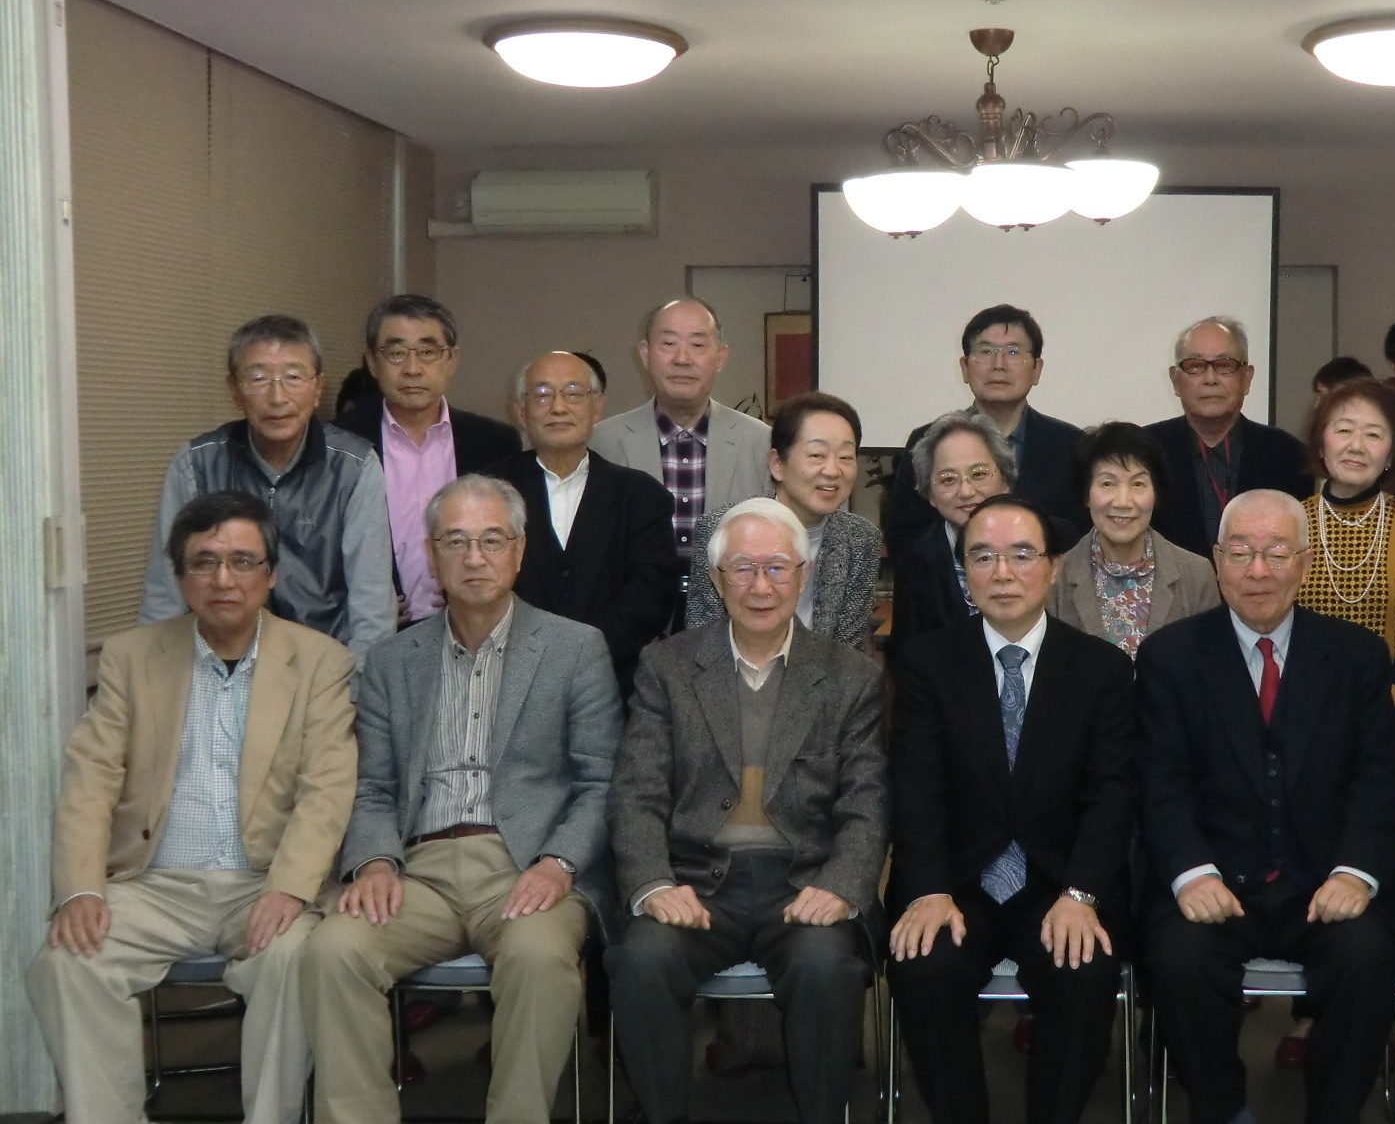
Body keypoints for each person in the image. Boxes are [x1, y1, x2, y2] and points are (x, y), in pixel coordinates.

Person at [301, 474, 621, 1124]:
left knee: (538, 957)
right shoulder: (393, 660)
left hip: (525, 866)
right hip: (417, 873)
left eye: (492, 540)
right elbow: (373, 785)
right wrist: (374, 861)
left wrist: (558, 862)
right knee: (334, 950)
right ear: (430, 553)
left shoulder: (574, 647)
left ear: (519, 551)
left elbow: (602, 781)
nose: (475, 557)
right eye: (456, 541)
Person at [30, 492, 355, 1124]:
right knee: (66, 963)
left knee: (293, 960)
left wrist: (291, 888)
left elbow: (328, 787)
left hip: (262, 883)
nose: (223, 579)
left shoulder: (320, 661)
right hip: (152, 886)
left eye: (242, 561)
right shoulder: (132, 657)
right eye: (204, 562)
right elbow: (90, 780)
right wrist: (80, 890)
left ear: (271, 574)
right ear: (180, 577)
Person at [607, 499, 887, 1124]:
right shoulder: (668, 666)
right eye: (743, 569)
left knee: (827, 968)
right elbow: (636, 792)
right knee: (642, 961)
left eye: (777, 568)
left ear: (803, 575)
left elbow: (867, 800)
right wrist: (653, 883)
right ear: (716, 579)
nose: (761, 587)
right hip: (696, 880)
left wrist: (842, 886)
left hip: (803, 881)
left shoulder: (850, 677)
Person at [1138, 489, 1395, 1124]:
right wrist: (1191, 874)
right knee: (1178, 960)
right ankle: (1222, 1109)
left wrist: (1355, 873)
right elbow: (1159, 780)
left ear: (1305, 564)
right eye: (1240, 552)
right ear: (1216, 561)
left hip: (1323, 880)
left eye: (1277, 552)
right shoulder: (1170, 656)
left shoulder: (1356, 655)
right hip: (1215, 880)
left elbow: (1380, 777)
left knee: (1368, 957)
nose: (1257, 570)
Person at [888, 495, 1138, 1124]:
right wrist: (928, 889)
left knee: (1083, 968)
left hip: (1061, 881)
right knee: (924, 963)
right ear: (964, 573)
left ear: (1053, 568)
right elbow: (915, 788)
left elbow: (1112, 794)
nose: (1002, 573)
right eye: (983, 557)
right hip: (956, 881)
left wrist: (1081, 894)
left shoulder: (1102, 669)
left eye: (1022, 555)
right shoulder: (925, 663)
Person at [140, 314, 396, 666]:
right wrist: (159, 680)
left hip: (322, 671)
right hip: (218, 666)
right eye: (258, 378)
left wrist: (352, 689)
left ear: (317, 388)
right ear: (234, 390)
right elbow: (164, 596)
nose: (277, 397)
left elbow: (372, 605)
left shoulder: (354, 466)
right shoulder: (196, 464)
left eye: (293, 377)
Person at [483, 350, 678, 693]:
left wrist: (581, 658)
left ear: (597, 408)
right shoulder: (486, 492)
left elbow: (650, 598)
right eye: (542, 395)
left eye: (573, 394)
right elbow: (477, 586)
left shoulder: (642, 495)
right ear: (521, 412)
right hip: (506, 681)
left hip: (612, 687)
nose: (558, 407)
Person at [337, 294, 523, 626]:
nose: (412, 369)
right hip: (376, 635)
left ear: (451, 360)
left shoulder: (494, 442)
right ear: (372, 362)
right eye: (396, 353)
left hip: (470, 629)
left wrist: (472, 590)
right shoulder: (340, 444)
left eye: (427, 352)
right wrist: (368, 606)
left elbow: (510, 540)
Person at [589, 298, 775, 611]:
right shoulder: (601, 442)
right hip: (630, 623)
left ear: (721, 357)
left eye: (698, 345)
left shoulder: (761, 443)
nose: (682, 359)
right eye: (669, 344)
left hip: (730, 621)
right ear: (646, 354)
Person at [1299, 378, 1395, 735]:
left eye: (1374, 435)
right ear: (1321, 443)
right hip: (1301, 711)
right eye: (1343, 430)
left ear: (1392, 454)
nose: (1356, 446)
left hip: (1391, 714)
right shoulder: (1290, 522)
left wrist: (1387, 701)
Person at [885, 304, 1087, 559]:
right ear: (965, 367)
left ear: (1036, 370)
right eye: (986, 351)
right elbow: (904, 538)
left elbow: (1084, 537)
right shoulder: (928, 441)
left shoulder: (1071, 445)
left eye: (1013, 352)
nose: (998, 364)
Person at [687, 393, 883, 649]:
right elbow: (702, 642)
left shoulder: (861, 539)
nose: (832, 470)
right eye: (817, 455)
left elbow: (848, 651)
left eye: (845, 457)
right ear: (777, 463)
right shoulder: (721, 528)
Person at [1047, 421, 1220, 658]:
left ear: (1155, 493)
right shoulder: (1054, 576)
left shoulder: (1197, 574)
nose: (1123, 502)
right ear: (1086, 494)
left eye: (1138, 484)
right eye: (1108, 483)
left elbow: (1210, 664)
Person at [1147, 316, 1314, 555]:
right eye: (1195, 366)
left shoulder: (1290, 457)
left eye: (1224, 365)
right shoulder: (1144, 452)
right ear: (1175, 380)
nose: (1210, 379)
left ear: (1247, 378)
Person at [889, 411, 1015, 648]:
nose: (966, 491)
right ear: (930, 494)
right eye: (948, 479)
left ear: (1005, 480)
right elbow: (906, 654)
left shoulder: (1046, 543)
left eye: (979, 474)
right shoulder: (915, 562)